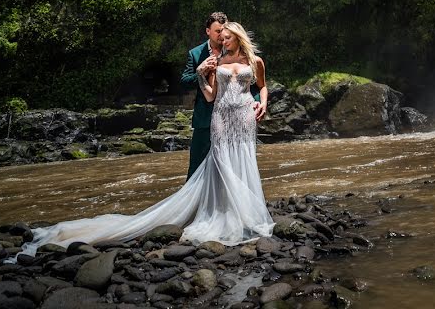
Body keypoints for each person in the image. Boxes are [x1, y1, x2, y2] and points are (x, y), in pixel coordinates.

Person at [15, 22, 275, 256]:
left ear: (238, 37)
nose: (222, 41)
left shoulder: (255, 61)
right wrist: (199, 73)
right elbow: (210, 96)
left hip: (243, 117)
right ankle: (223, 214)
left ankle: (244, 214)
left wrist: (262, 104)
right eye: (221, 37)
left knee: (243, 159)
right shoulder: (214, 61)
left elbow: (261, 86)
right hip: (219, 117)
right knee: (220, 162)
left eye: (227, 37)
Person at [181, 12, 227, 179]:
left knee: (226, 166)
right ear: (208, 31)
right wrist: (199, 71)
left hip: (229, 116)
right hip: (204, 118)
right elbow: (185, 82)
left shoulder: (233, 50)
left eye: (224, 30)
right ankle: (193, 203)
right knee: (196, 166)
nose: (222, 35)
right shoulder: (195, 53)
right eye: (217, 31)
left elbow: (250, 82)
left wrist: (258, 102)